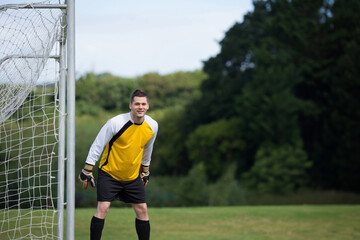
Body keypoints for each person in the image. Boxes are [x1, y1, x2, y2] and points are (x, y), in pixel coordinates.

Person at [78, 89, 158, 240]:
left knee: (142, 209)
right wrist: (87, 169)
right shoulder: (116, 122)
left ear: (148, 106)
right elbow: (98, 144)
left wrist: (145, 170)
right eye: (137, 104)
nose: (140, 107)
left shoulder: (152, 125)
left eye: (143, 104)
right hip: (109, 173)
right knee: (103, 208)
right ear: (130, 105)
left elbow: (147, 148)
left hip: (133, 176)